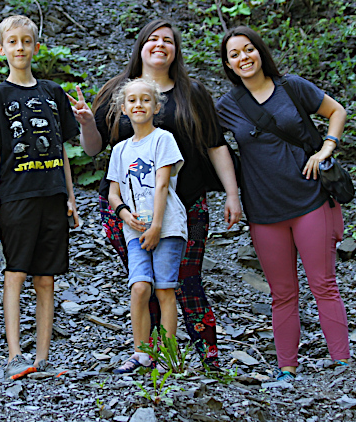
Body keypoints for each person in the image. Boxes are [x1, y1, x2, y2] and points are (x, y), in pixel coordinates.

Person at [70, 19, 241, 367]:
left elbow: (216, 145)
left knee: (185, 279)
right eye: (152, 39)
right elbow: (93, 149)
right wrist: (88, 123)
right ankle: (149, 353)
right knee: (142, 280)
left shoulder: (192, 94)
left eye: (168, 40)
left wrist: (232, 194)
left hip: (185, 204)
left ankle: (207, 354)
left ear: (176, 50)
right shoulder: (120, 90)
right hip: (124, 208)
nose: (160, 44)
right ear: (141, 47)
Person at [215, 25, 350, 382]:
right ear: (228, 65)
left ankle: (342, 363)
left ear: (260, 51)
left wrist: (326, 149)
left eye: (248, 50)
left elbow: (336, 111)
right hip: (264, 211)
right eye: (235, 55)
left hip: (310, 200)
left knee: (323, 283)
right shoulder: (227, 106)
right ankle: (287, 367)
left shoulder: (292, 87)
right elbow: (206, 142)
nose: (243, 58)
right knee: (282, 293)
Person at [0, 15, 80, 380]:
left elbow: (63, 149)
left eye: (26, 41)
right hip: (16, 196)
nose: (20, 48)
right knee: (15, 273)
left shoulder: (52, 93)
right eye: (13, 42)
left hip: (52, 194)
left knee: (47, 277)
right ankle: (14, 354)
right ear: (1, 49)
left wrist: (70, 196)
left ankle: (43, 356)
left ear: (36, 47)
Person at [105, 78, 187, 374]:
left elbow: (163, 183)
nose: (139, 105)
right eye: (133, 100)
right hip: (134, 229)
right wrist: (126, 215)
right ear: (123, 108)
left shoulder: (162, 139)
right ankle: (140, 352)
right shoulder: (120, 150)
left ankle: (167, 354)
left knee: (165, 290)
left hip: (167, 227)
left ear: (156, 106)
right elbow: (113, 192)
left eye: (145, 100)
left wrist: (156, 226)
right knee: (140, 288)